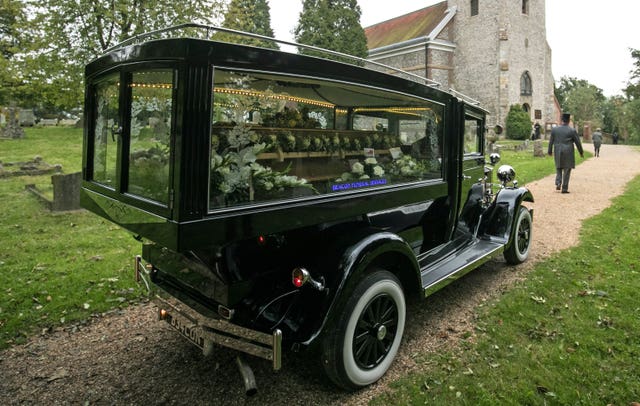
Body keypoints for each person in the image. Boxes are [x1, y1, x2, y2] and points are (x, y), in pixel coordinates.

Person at [548, 113, 583, 194]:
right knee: (567, 169)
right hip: (568, 152)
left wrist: (550, 151)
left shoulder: (555, 130)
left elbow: (551, 142)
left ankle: (558, 182)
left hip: (558, 150)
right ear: (569, 121)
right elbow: (578, 142)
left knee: (558, 167)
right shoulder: (572, 130)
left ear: (561, 120)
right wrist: (581, 152)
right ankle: (564, 188)